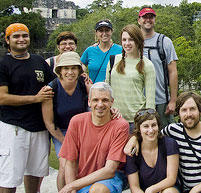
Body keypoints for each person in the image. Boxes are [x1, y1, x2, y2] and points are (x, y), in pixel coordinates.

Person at [125, 92, 201, 193]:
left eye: (192, 109)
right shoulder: (173, 131)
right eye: (184, 110)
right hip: (187, 188)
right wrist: (134, 139)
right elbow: (151, 135)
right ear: (178, 113)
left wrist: (197, 188)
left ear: (200, 111)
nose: (188, 114)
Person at [0, 23, 55, 193]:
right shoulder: (3, 64)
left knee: (35, 173)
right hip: (14, 127)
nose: (21, 39)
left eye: (24, 35)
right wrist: (35, 98)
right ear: (7, 40)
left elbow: (54, 84)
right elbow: (2, 97)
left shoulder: (38, 61)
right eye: (16, 36)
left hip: (38, 128)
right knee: (9, 177)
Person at [58, 82, 129, 193]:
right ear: (89, 102)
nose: (100, 104)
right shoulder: (77, 121)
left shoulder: (120, 125)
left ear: (112, 102)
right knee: (62, 169)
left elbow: (110, 170)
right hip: (82, 178)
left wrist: (72, 186)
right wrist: (71, 188)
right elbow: (70, 163)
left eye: (105, 100)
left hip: (109, 179)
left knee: (98, 190)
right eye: (95, 100)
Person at [106, 24, 156, 132]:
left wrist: (147, 124)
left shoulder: (147, 65)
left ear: (138, 41)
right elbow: (106, 91)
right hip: (114, 118)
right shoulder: (113, 60)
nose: (127, 43)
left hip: (136, 121)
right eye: (124, 40)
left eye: (131, 40)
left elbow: (150, 101)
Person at [138, 7, 179, 129]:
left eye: (151, 17)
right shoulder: (132, 42)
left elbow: (173, 72)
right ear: (139, 20)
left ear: (155, 20)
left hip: (161, 101)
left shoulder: (165, 42)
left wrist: (173, 100)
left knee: (164, 138)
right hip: (138, 102)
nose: (148, 20)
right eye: (145, 17)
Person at [125, 108, 180, 193]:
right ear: (139, 128)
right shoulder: (133, 151)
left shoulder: (169, 144)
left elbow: (171, 178)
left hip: (168, 188)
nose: (150, 130)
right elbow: (134, 187)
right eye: (146, 126)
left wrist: (151, 190)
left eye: (154, 125)